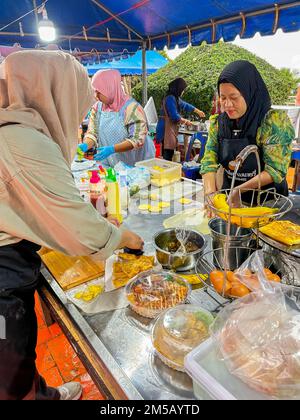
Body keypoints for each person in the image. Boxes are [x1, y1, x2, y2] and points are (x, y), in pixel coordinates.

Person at [0, 51, 143, 400]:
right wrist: (124, 237)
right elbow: (80, 232)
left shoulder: (14, 128)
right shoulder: (22, 141)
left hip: (11, 260)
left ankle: (45, 395)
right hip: (4, 272)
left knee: (16, 363)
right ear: (55, 90)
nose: (83, 107)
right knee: (9, 373)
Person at [201, 60, 295, 208]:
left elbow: (275, 170)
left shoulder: (272, 122)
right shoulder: (219, 123)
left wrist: (239, 190)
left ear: (250, 93)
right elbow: (208, 162)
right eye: (223, 97)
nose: (227, 104)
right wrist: (210, 193)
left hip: (268, 203)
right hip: (231, 202)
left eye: (234, 97)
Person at [78, 69, 155, 167]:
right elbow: (93, 133)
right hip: (110, 163)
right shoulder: (98, 108)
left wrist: (112, 149)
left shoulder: (132, 108)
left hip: (133, 165)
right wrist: (85, 145)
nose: (96, 96)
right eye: (95, 92)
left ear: (109, 88)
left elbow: (137, 139)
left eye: (99, 92)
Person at [156, 78, 205, 161]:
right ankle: (165, 171)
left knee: (169, 152)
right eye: (183, 90)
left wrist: (197, 111)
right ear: (178, 89)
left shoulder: (175, 98)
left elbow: (185, 105)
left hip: (169, 129)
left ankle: (168, 169)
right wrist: (186, 121)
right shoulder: (170, 98)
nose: (183, 92)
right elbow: (174, 115)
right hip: (165, 130)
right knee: (167, 154)